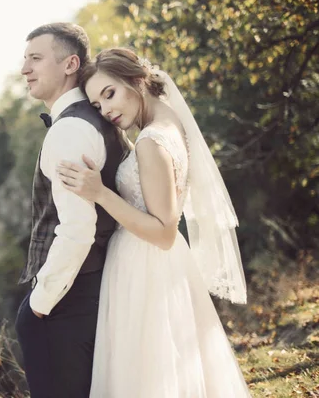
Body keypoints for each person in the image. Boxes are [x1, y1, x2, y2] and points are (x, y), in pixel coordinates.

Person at [56, 47, 251, 397]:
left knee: (148, 375)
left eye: (110, 93)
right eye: (98, 105)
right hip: (160, 266)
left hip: (146, 266)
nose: (107, 109)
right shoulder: (169, 121)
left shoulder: (151, 141)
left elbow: (163, 232)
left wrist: (99, 193)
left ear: (135, 80)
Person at [14, 24, 127, 398]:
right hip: (92, 289)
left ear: (70, 64)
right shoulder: (96, 120)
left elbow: (78, 229)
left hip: (67, 301)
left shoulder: (69, 131)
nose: (24, 69)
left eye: (35, 58)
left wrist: (39, 304)